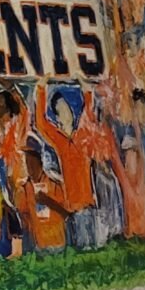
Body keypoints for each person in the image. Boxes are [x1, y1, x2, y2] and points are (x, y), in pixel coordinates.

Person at [36, 84, 97, 248]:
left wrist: (86, 90)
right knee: (78, 251)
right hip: (72, 208)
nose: (66, 113)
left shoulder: (82, 134)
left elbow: (89, 113)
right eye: (61, 110)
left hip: (88, 205)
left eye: (67, 108)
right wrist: (41, 89)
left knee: (92, 251)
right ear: (57, 118)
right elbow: (41, 123)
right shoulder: (60, 141)